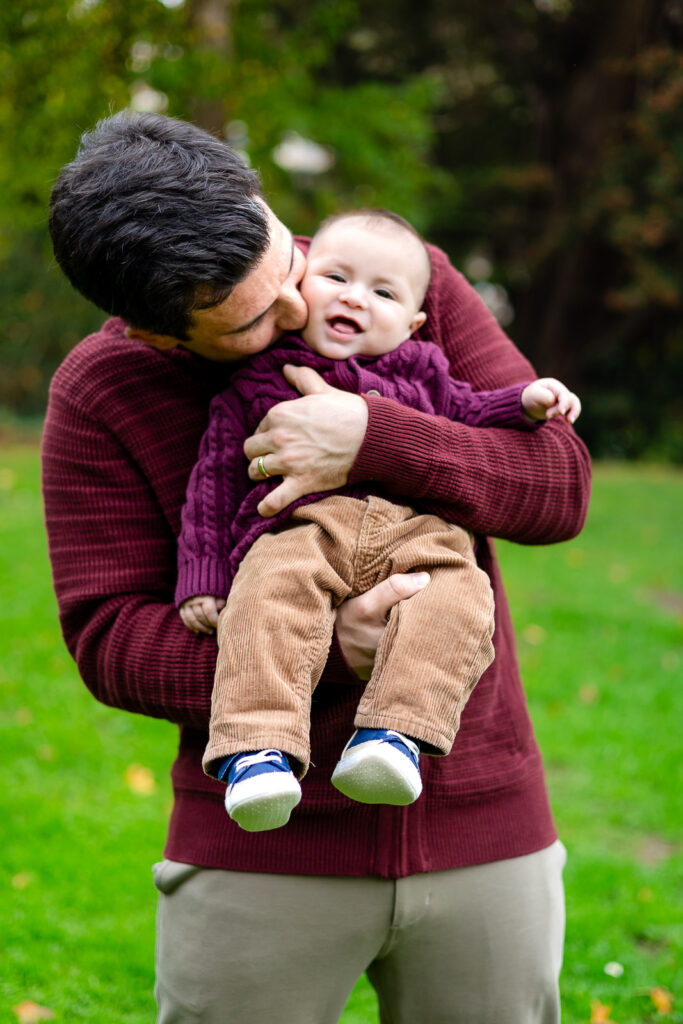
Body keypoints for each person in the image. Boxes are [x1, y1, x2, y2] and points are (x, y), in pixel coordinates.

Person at [44, 111, 590, 1024]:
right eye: (253, 320)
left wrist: (377, 438)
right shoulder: (101, 392)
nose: (303, 307)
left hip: (482, 823)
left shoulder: (392, 276)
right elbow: (109, 642)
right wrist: (334, 644)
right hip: (262, 846)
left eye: (281, 265)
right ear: (157, 337)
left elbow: (556, 487)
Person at [176, 208, 582, 832]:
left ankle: (394, 738)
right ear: (300, 285)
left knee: (461, 598)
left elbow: (474, 411)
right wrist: (203, 573)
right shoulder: (259, 377)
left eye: (383, 293)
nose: (355, 299)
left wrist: (525, 402)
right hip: (303, 530)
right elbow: (211, 477)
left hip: (420, 534)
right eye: (336, 278)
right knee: (263, 598)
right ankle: (256, 751)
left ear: (415, 321)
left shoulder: (426, 370)